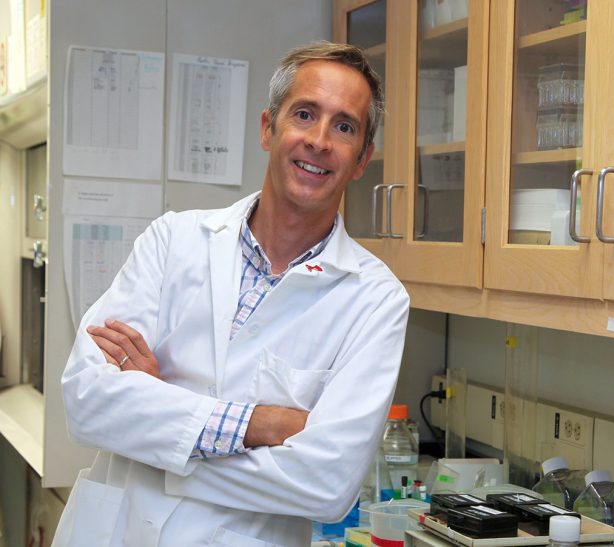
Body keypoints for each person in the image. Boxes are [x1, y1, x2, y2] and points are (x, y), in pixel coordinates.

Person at [53, 42, 410, 547]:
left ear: (362, 160)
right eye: (304, 114)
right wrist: (259, 424)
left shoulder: (375, 300)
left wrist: (159, 430)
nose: (319, 140)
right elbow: (86, 400)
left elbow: (327, 484)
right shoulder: (173, 241)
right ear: (268, 128)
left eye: (344, 127)